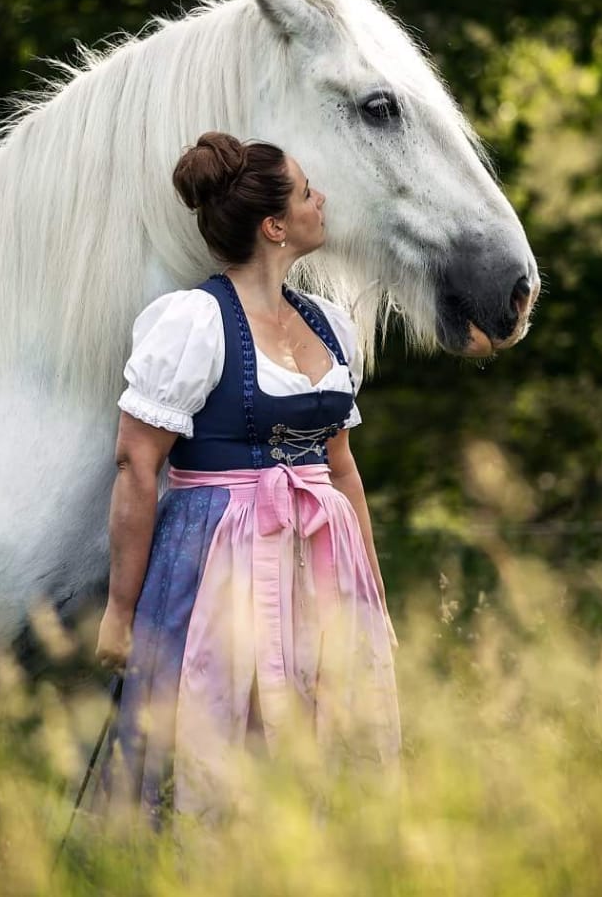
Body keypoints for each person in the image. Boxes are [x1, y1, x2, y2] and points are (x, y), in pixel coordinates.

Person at [93, 131, 401, 824]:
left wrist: (370, 598)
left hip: (322, 560)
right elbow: (137, 464)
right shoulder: (194, 322)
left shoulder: (326, 324)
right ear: (275, 226)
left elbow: (341, 467)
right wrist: (119, 610)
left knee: (330, 729)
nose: (320, 200)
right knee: (217, 725)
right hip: (219, 557)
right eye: (305, 191)